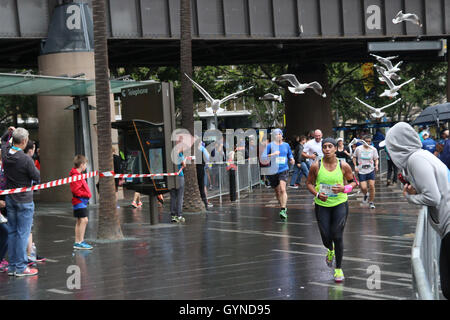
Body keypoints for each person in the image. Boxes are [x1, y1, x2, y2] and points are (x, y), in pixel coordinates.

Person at [385, 122, 450, 299]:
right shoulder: (421, 156)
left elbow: (433, 197)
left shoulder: (416, 159)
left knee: (448, 286)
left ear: (397, 145)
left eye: (390, 146)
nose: (389, 151)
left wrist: (410, 198)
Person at [306, 137, 357, 283]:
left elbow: (354, 182)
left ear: (335, 148)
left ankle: (339, 269)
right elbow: (308, 183)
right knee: (326, 237)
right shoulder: (316, 166)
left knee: (338, 235)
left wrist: (344, 188)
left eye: (330, 146)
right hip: (322, 205)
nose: (327, 149)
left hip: (340, 203)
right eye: (324, 147)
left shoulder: (343, 165)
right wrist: (317, 194)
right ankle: (330, 250)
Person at [1, 127, 40, 276]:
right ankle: (21, 267)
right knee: (23, 234)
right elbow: (36, 177)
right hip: (24, 200)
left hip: (10, 199)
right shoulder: (25, 159)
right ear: (23, 141)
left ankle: (12, 266)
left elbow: (3, 141)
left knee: (12, 232)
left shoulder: (5, 154)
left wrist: (8, 132)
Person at [262, 128, 295, 220]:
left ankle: (283, 209)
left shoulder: (286, 145)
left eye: (279, 134)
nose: (278, 136)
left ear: (282, 135)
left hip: (283, 169)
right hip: (273, 171)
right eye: (276, 134)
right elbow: (263, 157)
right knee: (277, 191)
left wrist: (292, 159)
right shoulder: (270, 146)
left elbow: (289, 154)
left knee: (283, 189)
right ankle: (282, 206)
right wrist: (273, 154)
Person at [23, 140, 45, 264]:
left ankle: (28, 254)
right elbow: (36, 177)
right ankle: (28, 255)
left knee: (22, 230)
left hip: (17, 199)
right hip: (25, 199)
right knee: (27, 229)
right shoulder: (28, 161)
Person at [70, 155, 93, 250]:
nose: (86, 166)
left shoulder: (77, 175)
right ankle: (80, 241)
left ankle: (78, 241)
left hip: (80, 201)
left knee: (80, 220)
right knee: (84, 220)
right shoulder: (76, 176)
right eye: (86, 164)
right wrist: (86, 194)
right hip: (79, 200)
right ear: (82, 164)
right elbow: (76, 190)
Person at [353, 135, 379, 209]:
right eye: (366, 141)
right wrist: (355, 166)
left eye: (369, 141)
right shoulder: (358, 149)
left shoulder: (373, 149)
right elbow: (354, 157)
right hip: (361, 171)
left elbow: (376, 158)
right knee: (363, 187)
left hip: (370, 170)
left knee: (371, 186)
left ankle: (371, 202)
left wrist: (376, 165)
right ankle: (366, 194)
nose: (368, 143)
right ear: (363, 141)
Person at [170, 151, 186, 223]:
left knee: (173, 196)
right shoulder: (179, 153)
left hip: (171, 176)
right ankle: (179, 215)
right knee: (180, 196)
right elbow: (184, 164)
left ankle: (173, 215)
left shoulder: (169, 153)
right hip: (179, 176)